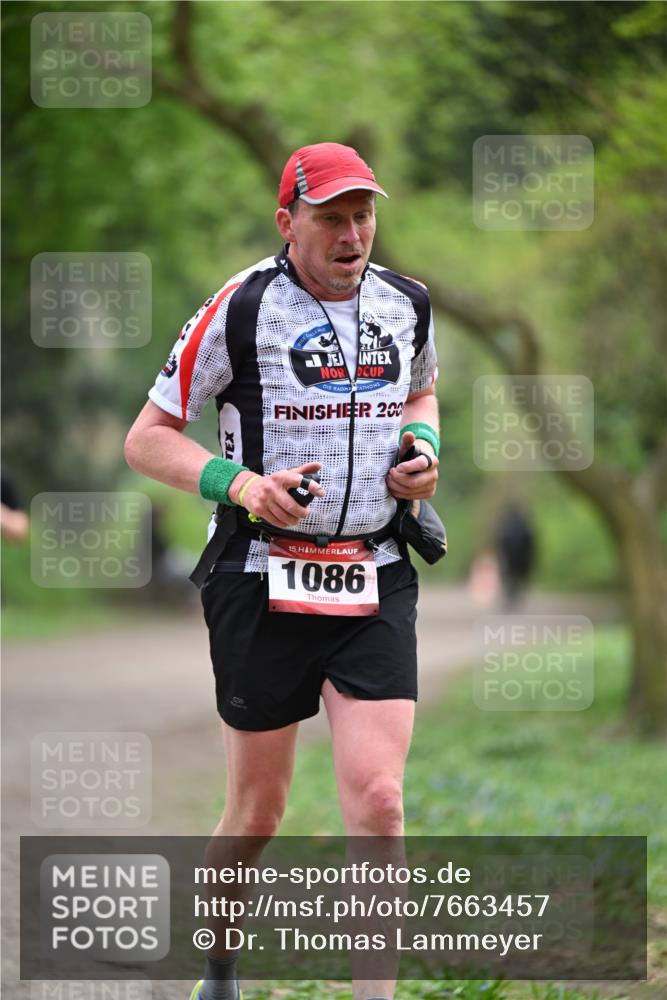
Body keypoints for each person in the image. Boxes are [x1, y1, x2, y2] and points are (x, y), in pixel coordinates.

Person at [124, 142, 440, 1000]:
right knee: (258, 813)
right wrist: (245, 486)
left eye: (362, 215)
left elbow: (419, 394)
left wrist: (423, 449)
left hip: (374, 570)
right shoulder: (239, 307)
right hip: (261, 578)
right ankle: (220, 965)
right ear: (286, 222)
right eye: (331, 217)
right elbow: (146, 438)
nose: (352, 233)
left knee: (377, 800)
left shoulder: (406, 304)